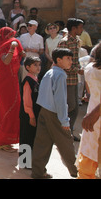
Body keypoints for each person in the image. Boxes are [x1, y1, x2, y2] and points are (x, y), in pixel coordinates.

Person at [31, 48, 78, 179]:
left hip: (44, 111)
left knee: (42, 143)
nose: (71, 61)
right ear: (58, 60)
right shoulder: (61, 75)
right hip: (54, 114)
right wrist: (64, 121)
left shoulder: (49, 72)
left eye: (71, 58)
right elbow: (60, 100)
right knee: (66, 143)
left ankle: (38, 172)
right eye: (68, 58)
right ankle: (77, 172)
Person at [0, 27, 26, 152]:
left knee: (15, 108)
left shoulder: (14, 43)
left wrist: (20, 50)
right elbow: (6, 61)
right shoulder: (3, 47)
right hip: (4, 82)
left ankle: (7, 139)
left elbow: (22, 55)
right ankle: (1, 141)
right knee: (7, 110)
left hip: (12, 80)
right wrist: (12, 48)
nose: (12, 37)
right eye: (10, 35)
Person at [57, 18, 84, 140]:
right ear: (73, 28)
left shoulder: (77, 41)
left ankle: (69, 132)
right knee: (70, 106)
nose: (81, 30)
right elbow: (61, 61)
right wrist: (76, 70)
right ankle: (62, 131)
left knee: (75, 108)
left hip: (74, 78)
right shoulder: (64, 42)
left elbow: (75, 60)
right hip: (66, 78)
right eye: (80, 27)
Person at [76, 43, 100, 179]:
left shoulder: (90, 69)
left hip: (92, 119)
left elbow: (89, 91)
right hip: (94, 117)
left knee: (87, 163)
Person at [19, 56, 42, 152]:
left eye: (39, 65)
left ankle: (30, 160)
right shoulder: (28, 81)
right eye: (35, 65)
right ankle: (25, 162)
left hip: (34, 114)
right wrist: (31, 116)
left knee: (31, 137)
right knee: (26, 137)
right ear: (28, 67)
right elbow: (27, 100)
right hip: (28, 115)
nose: (38, 67)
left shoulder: (35, 80)